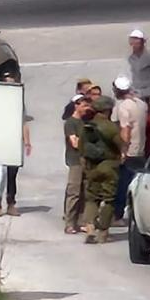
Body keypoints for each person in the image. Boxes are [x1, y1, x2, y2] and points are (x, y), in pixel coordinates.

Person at [79, 96, 124, 244]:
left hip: (91, 167)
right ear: (107, 110)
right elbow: (121, 145)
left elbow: (81, 148)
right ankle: (103, 231)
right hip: (109, 166)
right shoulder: (110, 127)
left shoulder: (87, 127)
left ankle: (90, 228)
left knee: (92, 199)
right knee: (108, 199)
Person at [0, 74, 32, 217]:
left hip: (14, 144)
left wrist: (27, 142)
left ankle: (11, 204)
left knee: (12, 175)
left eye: (13, 84)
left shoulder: (18, 102)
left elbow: (23, 122)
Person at [111, 76, 148, 225]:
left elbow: (125, 130)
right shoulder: (141, 104)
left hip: (130, 151)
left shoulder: (123, 107)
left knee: (123, 184)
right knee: (137, 185)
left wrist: (123, 151)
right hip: (141, 150)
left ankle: (117, 215)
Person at [63, 94, 91, 234]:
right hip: (75, 161)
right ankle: (69, 223)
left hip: (86, 160)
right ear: (76, 106)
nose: (87, 108)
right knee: (74, 192)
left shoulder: (85, 122)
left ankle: (81, 221)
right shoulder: (71, 123)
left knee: (85, 192)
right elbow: (74, 143)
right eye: (84, 105)